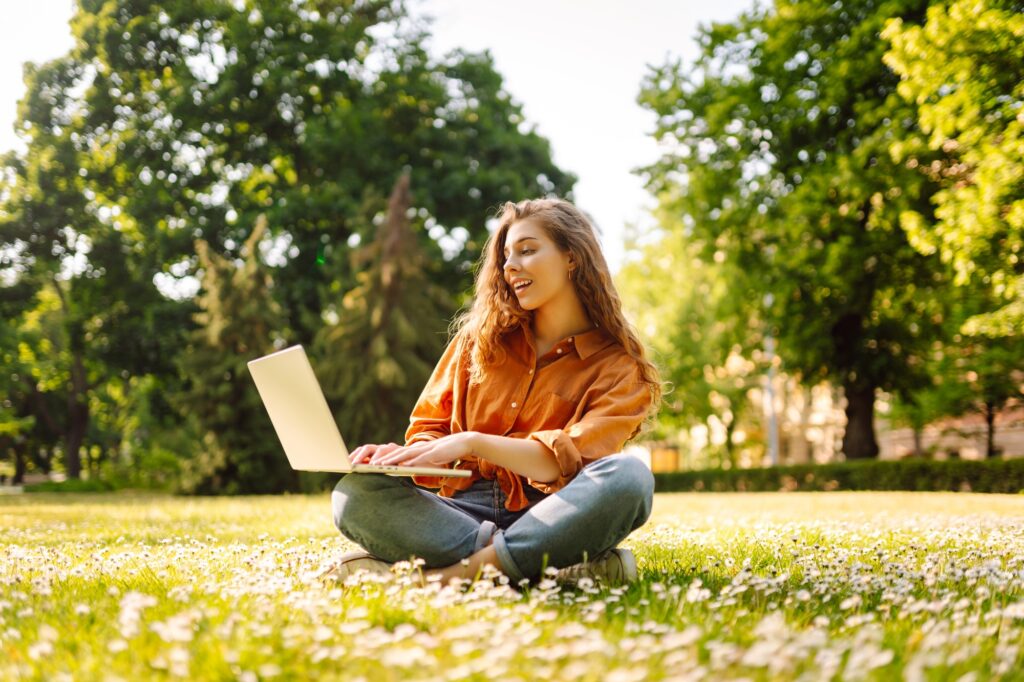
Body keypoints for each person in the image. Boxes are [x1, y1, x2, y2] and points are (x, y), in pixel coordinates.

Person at [325, 198, 662, 590]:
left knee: (630, 478)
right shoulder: (477, 342)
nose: (510, 265)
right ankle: (550, 565)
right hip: (461, 514)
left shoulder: (620, 366)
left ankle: (445, 579)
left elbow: (565, 462)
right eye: (505, 255)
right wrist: (397, 459)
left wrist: (471, 442)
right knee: (354, 495)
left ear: (572, 257)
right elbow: (428, 430)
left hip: (556, 512)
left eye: (527, 250)